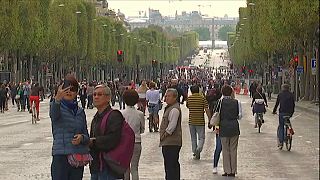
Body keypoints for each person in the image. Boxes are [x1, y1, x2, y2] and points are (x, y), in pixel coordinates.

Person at [50, 75, 90, 180]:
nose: (68, 92)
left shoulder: (80, 112)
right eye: (65, 89)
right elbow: (54, 115)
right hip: (61, 156)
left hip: (77, 157)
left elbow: (86, 135)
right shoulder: (57, 107)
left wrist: (82, 138)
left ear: (77, 92)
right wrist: (57, 98)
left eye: (72, 89)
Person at [89, 84, 125, 179]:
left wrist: (93, 141)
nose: (96, 97)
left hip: (108, 167)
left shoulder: (114, 116)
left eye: (100, 94)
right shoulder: (96, 117)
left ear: (108, 97)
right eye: (94, 94)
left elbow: (113, 139)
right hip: (96, 166)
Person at [217, 85, 242, 177]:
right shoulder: (236, 102)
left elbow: (216, 114)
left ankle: (227, 170)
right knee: (233, 149)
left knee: (225, 149)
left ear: (222, 92)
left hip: (223, 127)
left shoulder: (220, 102)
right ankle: (233, 171)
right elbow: (240, 116)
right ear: (231, 92)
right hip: (234, 127)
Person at [121, 89, 145, 180]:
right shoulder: (140, 114)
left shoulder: (121, 113)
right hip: (136, 142)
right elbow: (142, 129)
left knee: (125, 168)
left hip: (124, 143)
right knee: (134, 168)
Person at [159, 88, 182, 180]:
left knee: (170, 166)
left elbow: (172, 126)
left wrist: (164, 135)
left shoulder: (174, 109)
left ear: (175, 97)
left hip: (171, 142)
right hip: (170, 142)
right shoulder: (170, 108)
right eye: (166, 96)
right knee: (171, 165)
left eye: (169, 96)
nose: (166, 98)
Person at [186, 85, 211, 160]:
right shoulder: (202, 98)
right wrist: (210, 119)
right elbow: (207, 109)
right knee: (201, 137)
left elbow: (188, 106)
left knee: (193, 138)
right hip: (200, 121)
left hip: (191, 120)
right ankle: (198, 149)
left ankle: (195, 151)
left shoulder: (189, 98)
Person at [272, 84, 295, 149]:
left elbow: (277, 104)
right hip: (289, 113)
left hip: (282, 112)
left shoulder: (280, 94)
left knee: (281, 126)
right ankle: (290, 131)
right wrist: (292, 113)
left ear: (283, 88)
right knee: (288, 122)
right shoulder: (291, 95)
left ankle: (281, 142)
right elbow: (293, 105)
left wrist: (274, 111)